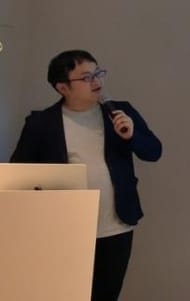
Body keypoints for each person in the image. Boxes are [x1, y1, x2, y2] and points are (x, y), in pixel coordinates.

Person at [10, 49, 162, 301]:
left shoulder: (119, 112)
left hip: (116, 226)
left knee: (106, 295)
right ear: (63, 88)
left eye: (98, 73)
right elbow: (20, 173)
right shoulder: (42, 123)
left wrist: (132, 136)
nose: (97, 81)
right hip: (65, 230)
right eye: (86, 77)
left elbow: (154, 152)